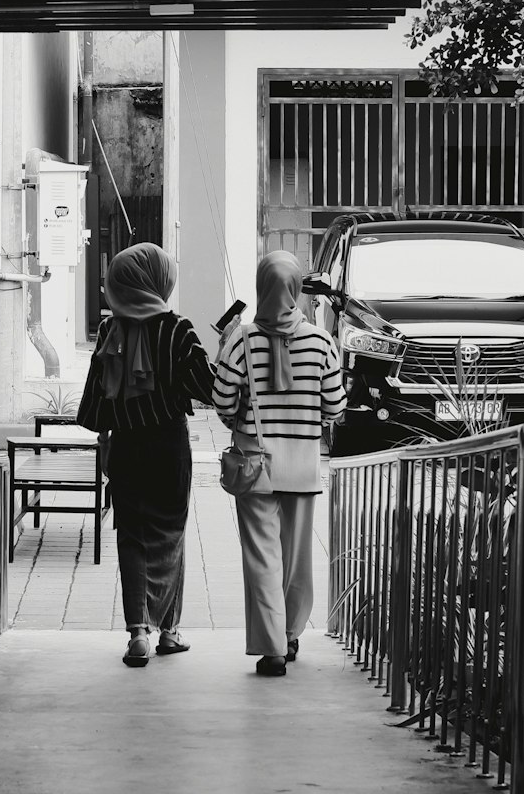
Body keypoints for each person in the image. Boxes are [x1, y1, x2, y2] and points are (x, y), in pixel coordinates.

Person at [77, 242, 214, 668]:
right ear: (158, 281)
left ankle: (138, 634)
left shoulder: (108, 331)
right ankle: (169, 631)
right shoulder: (178, 330)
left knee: (132, 537)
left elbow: (95, 408)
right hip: (169, 448)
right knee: (170, 534)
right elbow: (207, 388)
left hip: (127, 449)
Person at [211, 250, 346, 677]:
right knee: (296, 558)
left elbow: (220, 401)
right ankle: (289, 634)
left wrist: (243, 412)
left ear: (261, 287)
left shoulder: (242, 339)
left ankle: (271, 650)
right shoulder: (322, 342)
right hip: (301, 465)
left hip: (255, 464)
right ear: (296, 289)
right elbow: (337, 407)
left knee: (261, 557)